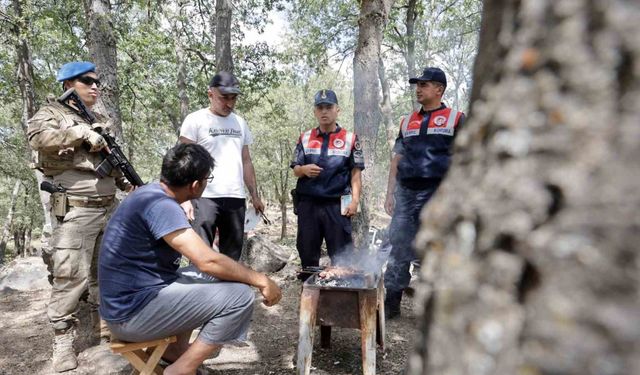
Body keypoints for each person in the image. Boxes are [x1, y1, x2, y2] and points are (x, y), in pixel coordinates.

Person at [98, 143, 281, 375]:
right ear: (195, 185)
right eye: (208, 178)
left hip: (130, 304)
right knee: (240, 297)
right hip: (131, 316)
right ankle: (182, 369)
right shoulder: (161, 206)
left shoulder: (151, 193)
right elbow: (209, 261)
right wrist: (261, 280)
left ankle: (176, 353)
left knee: (210, 276)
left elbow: (207, 264)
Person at [27, 61, 131, 372]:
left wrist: (128, 183)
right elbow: (38, 138)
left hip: (108, 206)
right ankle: (62, 341)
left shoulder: (99, 118)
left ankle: (107, 327)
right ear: (68, 85)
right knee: (71, 276)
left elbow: (110, 162)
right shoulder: (51, 113)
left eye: (97, 81)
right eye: (88, 81)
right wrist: (80, 132)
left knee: (108, 271)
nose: (95, 86)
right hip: (76, 209)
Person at [383, 67, 465, 319]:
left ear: (439, 89)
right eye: (417, 84)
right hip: (406, 193)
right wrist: (389, 193)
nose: (418, 88)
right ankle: (391, 303)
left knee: (435, 249)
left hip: (438, 194)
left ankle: (433, 309)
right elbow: (397, 158)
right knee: (398, 247)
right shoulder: (407, 121)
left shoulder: (457, 119)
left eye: (424, 84)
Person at [179, 71, 264, 261]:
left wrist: (255, 195)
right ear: (210, 94)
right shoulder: (195, 120)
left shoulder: (240, 123)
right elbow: (183, 160)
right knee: (200, 254)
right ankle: (201, 291)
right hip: (204, 197)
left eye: (233, 98)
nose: (230, 103)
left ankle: (229, 290)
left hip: (235, 197)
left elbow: (246, 161)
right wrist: (184, 198)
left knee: (232, 257)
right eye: (224, 98)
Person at [290, 89, 364, 272]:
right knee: (307, 253)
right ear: (315, 111)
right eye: (320, 107)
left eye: (328, 107)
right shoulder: (305, 138)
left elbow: (356, 173)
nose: (324, 111)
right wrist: (303, 170)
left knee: (341, 257)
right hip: (308, 205)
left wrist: (355, 201)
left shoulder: (350, 138)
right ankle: (309, 296)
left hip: (337, 206)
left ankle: (340, 296)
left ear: (337, 109)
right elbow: (295, 170)